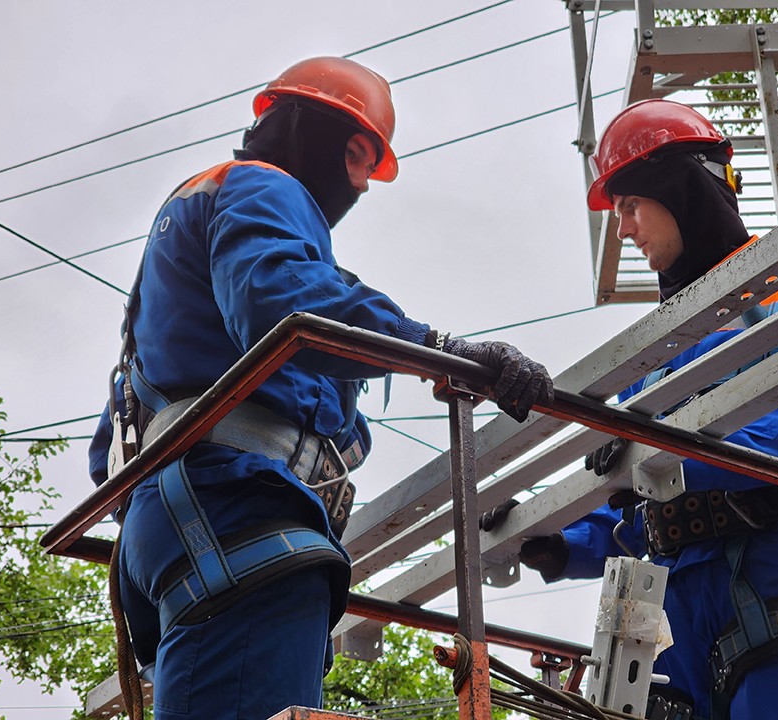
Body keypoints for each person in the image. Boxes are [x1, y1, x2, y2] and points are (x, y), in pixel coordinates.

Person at [88, 56, 553, 720]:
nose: (360, 188)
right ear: (353, 146)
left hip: (170, 523)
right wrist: (435, 351)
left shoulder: (181, 238)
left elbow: (111, 445)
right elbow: (281, 299)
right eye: (365, 167)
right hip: (236, 511)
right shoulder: (264, 189)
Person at [508, 99, 778, 720]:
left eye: (630, 206)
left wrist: (672, 454)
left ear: (679, 189)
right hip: (674, 610)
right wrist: (560, 540)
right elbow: (641, 504)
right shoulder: (651, 360)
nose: (624, 229)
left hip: (774, 571)